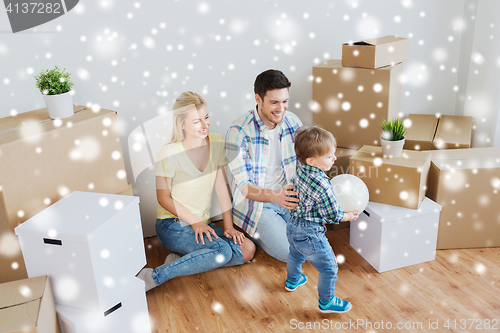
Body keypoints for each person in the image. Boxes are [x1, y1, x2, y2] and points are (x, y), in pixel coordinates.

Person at [138, 91, 255, 291]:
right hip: (173, 225)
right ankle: (154, 276)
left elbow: (221, 186)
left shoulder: (216, 142)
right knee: (223, 252)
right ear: (182, 124)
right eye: (196, 121)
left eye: (206, 117)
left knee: (247, 249)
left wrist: (228, 226)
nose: (204, 125)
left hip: (203, 223)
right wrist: (196, 222)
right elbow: (163, 197)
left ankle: (185, 259)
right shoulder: (168, 153)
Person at [225, 69, 303, 262]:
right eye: (274, 102)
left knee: (313, 242)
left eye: (284, 101)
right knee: (293, 254)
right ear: (258, 99)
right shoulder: (238, 132)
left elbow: (305, 163)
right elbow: (244, 188)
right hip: (259, 204)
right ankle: (254, 230)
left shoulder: (293, 121)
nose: (281, 108)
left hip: (289, 197)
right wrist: (275, 196)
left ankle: (270, 231)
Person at [285, 126, 359, 313]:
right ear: (311, 160)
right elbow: (332, 215)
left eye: (333, 154)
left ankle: (293, 280)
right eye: (329, 156)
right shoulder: (323, 185)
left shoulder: (301, 169)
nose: (334, 158)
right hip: (310, 232)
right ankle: (326, 302)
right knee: (329, 268)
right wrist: (349, 216)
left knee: (295, 254)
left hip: (293, 225)